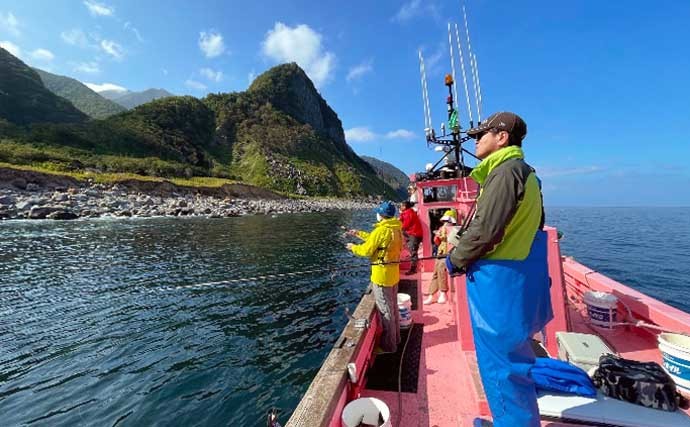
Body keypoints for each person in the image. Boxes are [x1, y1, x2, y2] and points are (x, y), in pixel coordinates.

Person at [446, 112, 553, 427]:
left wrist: (455, 259)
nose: (476, 140)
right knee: (513, 362)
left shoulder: (504, 173)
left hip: (498, 286)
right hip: (519, 280)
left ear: (502, 137)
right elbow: (536, 225)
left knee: (500, 366)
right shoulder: (528, 174)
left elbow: (485, 230)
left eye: (482, 134)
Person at [347, 201, 404, 354]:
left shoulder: (381, 231)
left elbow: (366, 250)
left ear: (381, 215)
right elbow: (375, 240)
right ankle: (396, 338)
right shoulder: (396, 229)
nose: (376, 215)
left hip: (381, 277)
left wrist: (353, 247)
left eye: (378, 212)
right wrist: (358, 233)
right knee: (393, 309)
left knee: (386, 312)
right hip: (393, 275)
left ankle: (389, 346)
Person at [424, 209, 458, 304]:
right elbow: (436, 241)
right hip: (440, 253)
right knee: (436, 273)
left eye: (448, 221)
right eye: (445, 221)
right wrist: (437, 236)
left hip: (447, 254)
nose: (446, 223)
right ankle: (432, 294)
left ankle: (443, 293)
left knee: (442, 271)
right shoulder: (441, 229)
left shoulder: (455, 230)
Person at [399, 200, 423, 275]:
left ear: (405, 206)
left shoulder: (408, 213)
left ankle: (413, 269)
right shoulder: (409, 212)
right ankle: (413, 267)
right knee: (412, 250)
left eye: (402, 206)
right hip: (414, 234)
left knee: (413, 251)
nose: (400, 207)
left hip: (414, 234)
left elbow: (405, 226)